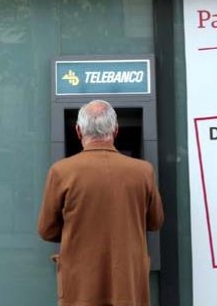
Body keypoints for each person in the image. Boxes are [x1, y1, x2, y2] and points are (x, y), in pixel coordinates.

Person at [38, 99, 164, 306]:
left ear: (79, 131)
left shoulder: (61, 171)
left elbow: (47, 230)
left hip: (81, 285)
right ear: (115, 131)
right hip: (128, 282)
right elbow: (155, 222)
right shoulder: (143, 171)